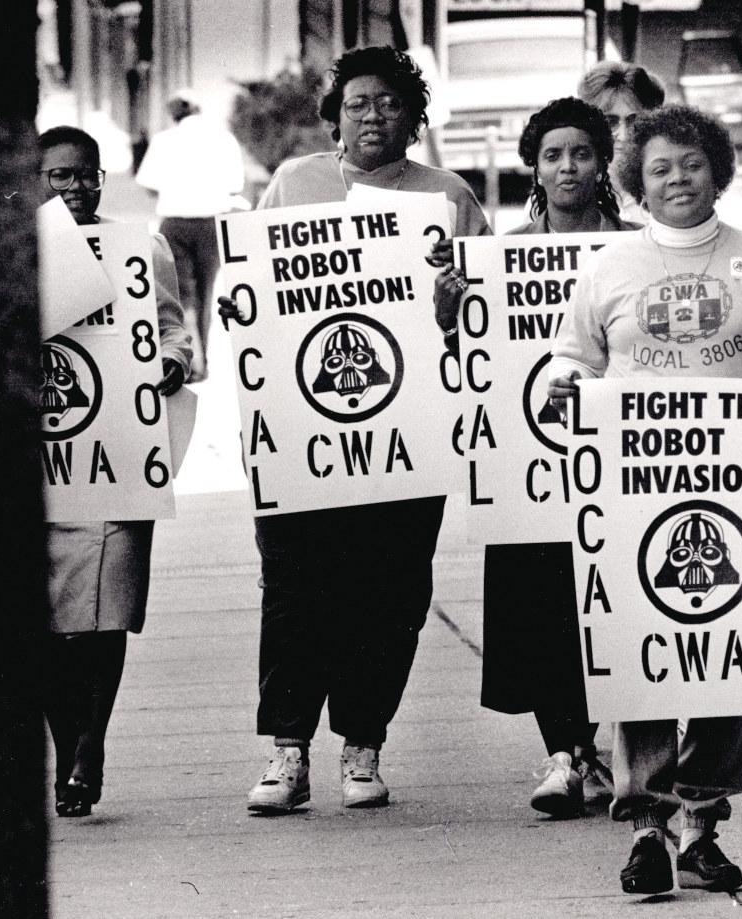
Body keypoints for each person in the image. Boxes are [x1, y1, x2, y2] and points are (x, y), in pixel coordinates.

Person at [547, 105, 742, 894]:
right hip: (633, 488)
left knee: (730, 652)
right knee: (646, 650)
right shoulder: (609, 264)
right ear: (635, 183)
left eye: (690, 164)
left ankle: (702, 823)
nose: (677, 179)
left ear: (718, 169)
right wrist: (561, 392)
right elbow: (571, 357)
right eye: (659, 169)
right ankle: (647, 828)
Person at [218, 45, 490, 816]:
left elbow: (491, 316)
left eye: (391, 103)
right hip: (305, 434)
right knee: (296, 589)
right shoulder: (293, 184)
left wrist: (454, 299)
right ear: (334, 116)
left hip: (408, 434)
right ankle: (289, 750)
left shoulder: (448, 196)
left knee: (390, 589)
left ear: (415, 117)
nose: (374, 116)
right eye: (359, 103)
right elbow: (250, 299)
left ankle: (363, 744)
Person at [442, 97, 636, 818]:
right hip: (530, 466)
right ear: (534, 165)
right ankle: (565, 751)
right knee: (544, 601)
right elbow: (471, 362)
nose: (567, 167)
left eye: (580, 153)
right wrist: (451, 308)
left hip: (616, 461)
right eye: (552, 155)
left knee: (605, 602)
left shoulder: (637, 249)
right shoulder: (500, 259)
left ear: (601, 163)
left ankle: (587, 750)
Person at [37, 125, 191, 817]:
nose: (74, 187)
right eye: (58, 176)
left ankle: (87, 748)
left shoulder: (141, 247)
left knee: (106, 615)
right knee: (41, 623)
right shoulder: (9, 253)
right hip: (37, 471)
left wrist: (172, 363)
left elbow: (172, 327)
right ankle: (66, 739)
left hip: (116, 461)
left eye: (85, 174)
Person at [136, 89, 246, 382]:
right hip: (212, 223)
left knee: (179, 294)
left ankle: (186, 362)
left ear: (174, 114)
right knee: (206, 292)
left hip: (175, 222)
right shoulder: (224, 139)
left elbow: (146, 183)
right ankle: (203, 361)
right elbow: (236, 185)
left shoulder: (163, 140)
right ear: (199, 110)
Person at [577, 61, 665, 225]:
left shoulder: (668, 186)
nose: (623, 136)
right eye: (610, 122)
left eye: (634, 121)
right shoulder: (562, 193)